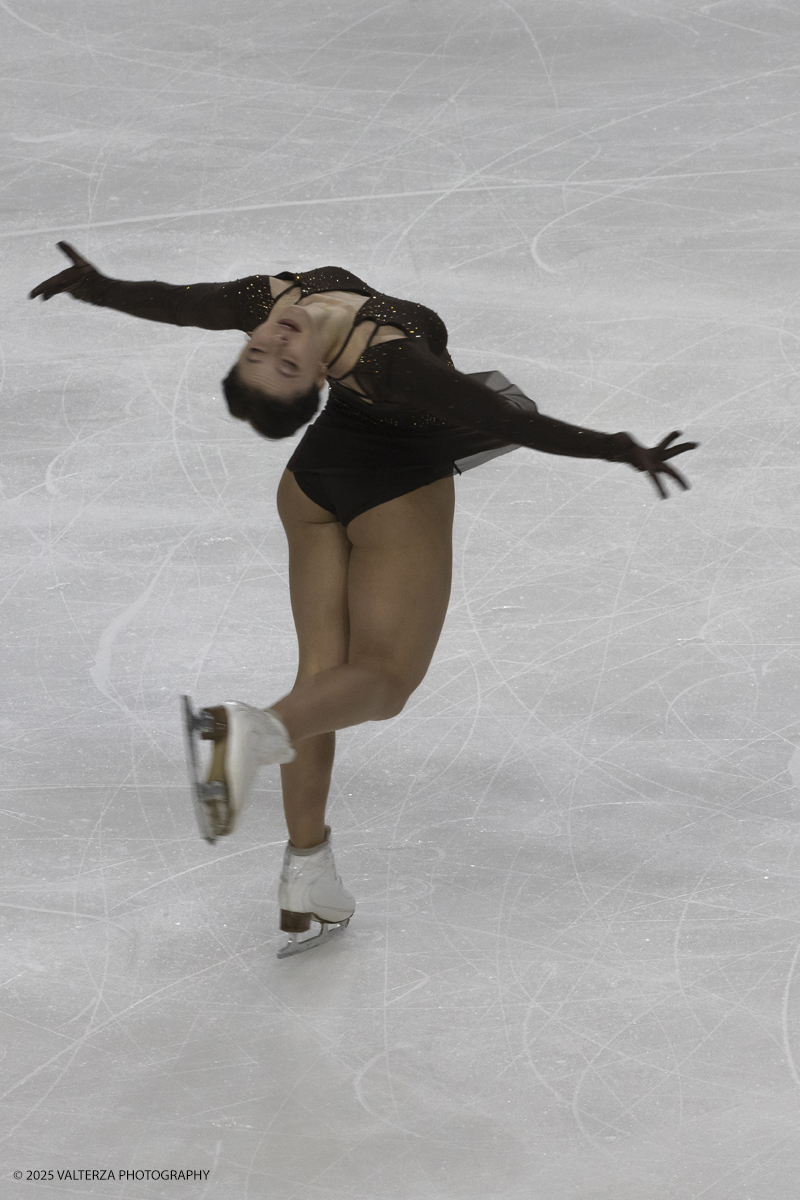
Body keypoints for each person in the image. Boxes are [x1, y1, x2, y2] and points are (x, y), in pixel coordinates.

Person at [30, 242, 697, 954]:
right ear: (318, 378)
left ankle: (305, 875)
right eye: (279, 363)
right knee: (382, 683)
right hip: (392, 490)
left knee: (324, 685)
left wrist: (98, 287)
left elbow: (183, 302)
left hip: (312, 486)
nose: (275, 344)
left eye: (265, 355)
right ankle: (246, 733)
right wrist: (622, 448)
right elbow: (511, 424)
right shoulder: (390, 363)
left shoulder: (265, 299)